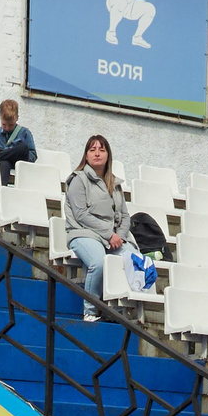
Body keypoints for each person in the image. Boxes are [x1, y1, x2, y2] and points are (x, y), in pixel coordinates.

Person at [63, 134, 129, 316]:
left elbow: (125, 215)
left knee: (134, 260)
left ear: (108, 155)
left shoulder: (115, 184)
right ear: (86, 156)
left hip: (113, 237)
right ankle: (90, 312)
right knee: (98, 262)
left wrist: (120, 237)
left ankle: (118, 311)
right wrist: (109, 234)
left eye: (102, 149)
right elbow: (81, 215)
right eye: (92, 150)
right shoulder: (78, 179)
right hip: (83, 233)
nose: (97, 153)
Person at [0, 98, 37, 188]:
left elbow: (33, 154)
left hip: (20, 162)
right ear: (0, 118)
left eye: (11, 125)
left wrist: (4, 153)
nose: (7, 128)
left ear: (17, 118)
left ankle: (0, 155)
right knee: (4, 163)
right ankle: (2, 192)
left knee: (23, 147)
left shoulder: (24, 132)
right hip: (4, 163)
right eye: (4, 124)